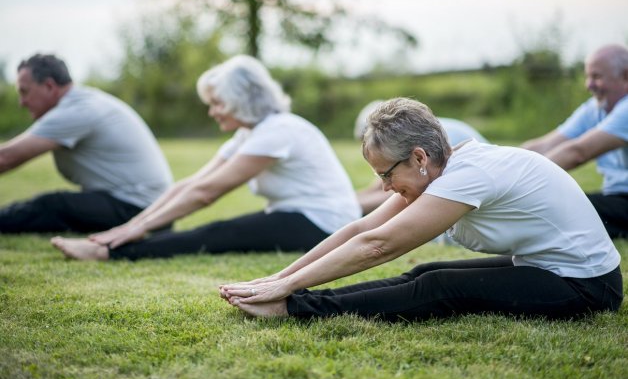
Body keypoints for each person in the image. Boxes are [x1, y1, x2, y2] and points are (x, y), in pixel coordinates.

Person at [220, 98, 622, 322]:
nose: (383, 187)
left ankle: (293, 311)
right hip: (543, 267)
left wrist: (287, 295)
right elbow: (360, 228)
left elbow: (379, 245)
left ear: (418, 157)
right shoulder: (443, 167)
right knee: (424, 272)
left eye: (386, 174)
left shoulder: (468, 175)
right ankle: (291, 301)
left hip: (586, 285)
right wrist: (281, 277)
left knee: (440, 286)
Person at [51, 55, 361, 261]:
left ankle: (108, 254)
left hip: (324, 225)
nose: (212, 112)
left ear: (240, 101)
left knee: (220, 233)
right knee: (221, 232)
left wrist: (135, 230)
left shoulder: (278, 131)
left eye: (217, 104)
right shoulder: (250, 133)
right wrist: (134, 223)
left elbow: (207, 193)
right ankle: (112, 246)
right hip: (299, 216)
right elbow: (192, 183)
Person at [0, 53, 173, 233]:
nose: (21, 102)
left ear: (49, 86)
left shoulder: (75, 111)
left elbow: (5, 158)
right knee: (57, 207)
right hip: (151, 207)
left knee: (52, 205)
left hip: (139, 210)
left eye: (24, 91)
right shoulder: (83, 101)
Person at [522, 44, 628, 239]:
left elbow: (578, 152)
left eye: (596, 77)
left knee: (557, 208)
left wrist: (517, 181)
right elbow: (545, 145)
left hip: (624, 201)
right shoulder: (597, 107)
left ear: (625, 77)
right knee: (563, 204)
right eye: (588, 77)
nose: (589, 85)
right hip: (616, 198)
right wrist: (497, 164)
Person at [355, 100, 488, 215]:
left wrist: (348, 209)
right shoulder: (405, 139)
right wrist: (346, 201)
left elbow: (393, 197)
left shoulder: (421, 139)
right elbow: (377, 188)